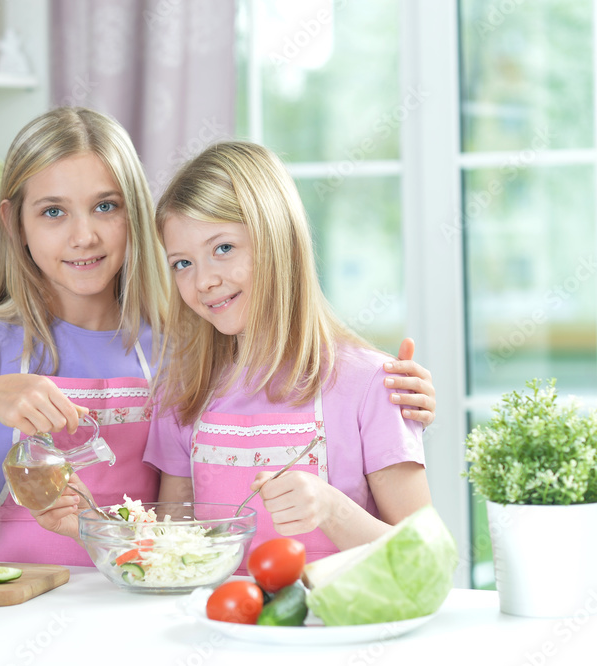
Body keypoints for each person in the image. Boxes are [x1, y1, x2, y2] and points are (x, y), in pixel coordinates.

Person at [0, 109, 436, 566]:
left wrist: (387, 396)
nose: (84, 235)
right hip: (26, 604)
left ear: (134, 216)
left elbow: (179, 526)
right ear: (16, 224)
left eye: (105, 207)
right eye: (52, 212)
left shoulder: (189, 340)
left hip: (146, 602)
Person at [36, 141, 432, 567]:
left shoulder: (371, 384)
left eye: (223, 248)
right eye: (182, 263)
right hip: (220, 625)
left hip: (331, 629)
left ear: (277, 240)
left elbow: (426, 562)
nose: (203, 280)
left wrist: (333, 510)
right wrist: (90, 523)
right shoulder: (183, 392)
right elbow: (170, 552)